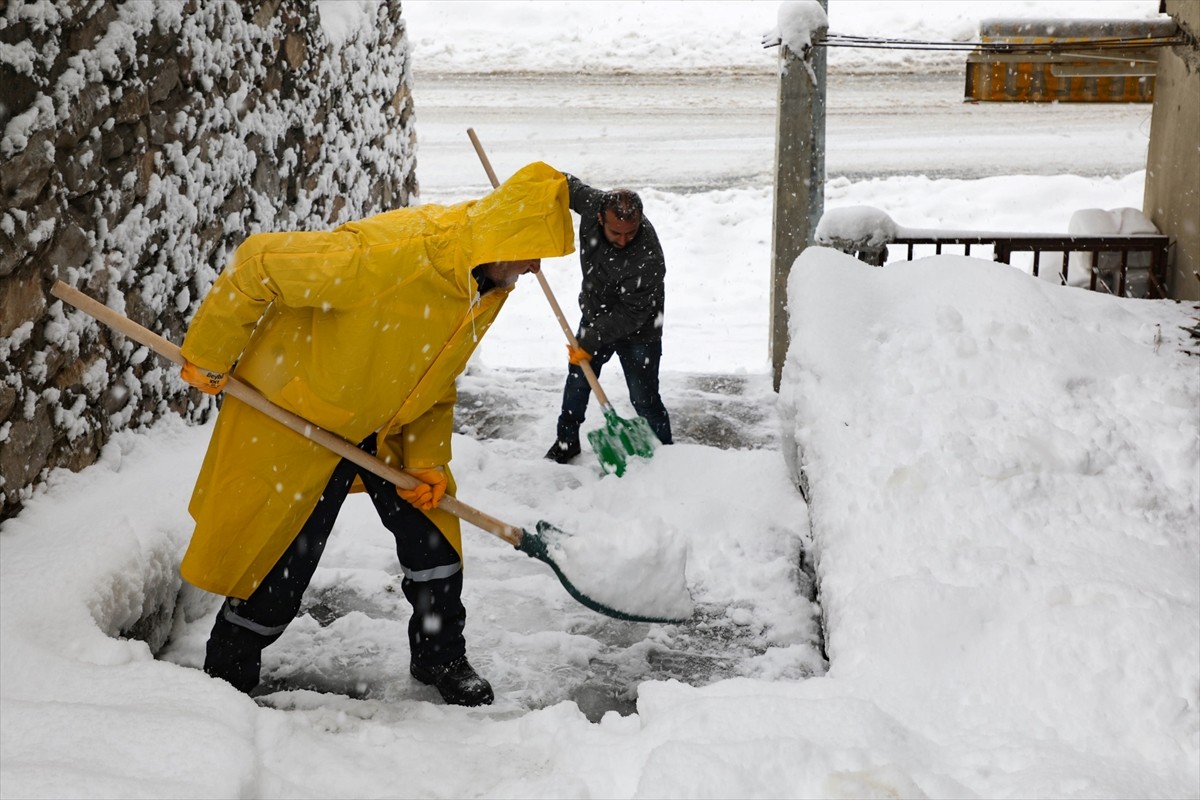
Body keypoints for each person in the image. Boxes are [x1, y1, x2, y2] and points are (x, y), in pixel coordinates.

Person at [177, 162, 575, 706]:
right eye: (533, 253)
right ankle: (227, 671)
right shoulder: (391, 257)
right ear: (506, 237)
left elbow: (437, 376)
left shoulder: (481, 286)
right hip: (303, 418)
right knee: (278, 563)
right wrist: (209, 351)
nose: (533, 268)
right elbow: (258, 261)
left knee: (434, 543)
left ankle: (441, 657)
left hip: (385, 426)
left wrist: (429, 460)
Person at [545, 176, 673, 463]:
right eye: (616, 233)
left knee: (644, 399)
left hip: (640, 330)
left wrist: (589, 339)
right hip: (595, 312)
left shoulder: (648, 257)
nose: (624, 240)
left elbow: (632, 313)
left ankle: (666, 456)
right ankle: (566, 443)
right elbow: (562, 184)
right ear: (600, 217)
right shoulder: (592, 204)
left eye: (631, 232)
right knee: (578, 382)